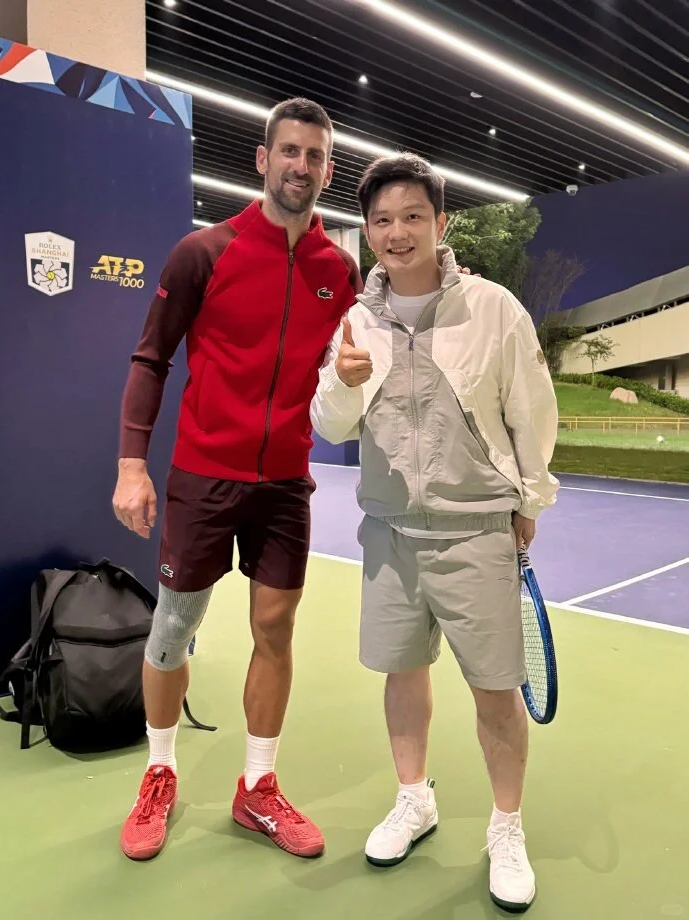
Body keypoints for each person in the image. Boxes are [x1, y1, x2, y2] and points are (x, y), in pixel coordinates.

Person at [113, 97, 362, 862]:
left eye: (315, 155)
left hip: (285, 484)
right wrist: (131, 463)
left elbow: (369, 359)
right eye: (289, 150)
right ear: (262, 159)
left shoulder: (340, 271)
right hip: (202, 476)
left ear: (328, 169)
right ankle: (159, 774)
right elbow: (151, 357)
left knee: (274, 630)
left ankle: (257, 788)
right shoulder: (204, 252)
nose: (301, 166)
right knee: (173, 627)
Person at [310, 153, 558, 911]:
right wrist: (341, 383)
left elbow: (531, 410)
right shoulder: (355, 320)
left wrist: (530, 500)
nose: (398, 232)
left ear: (440, 223)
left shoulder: (493, 309)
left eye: (413, 216)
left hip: (475, 531)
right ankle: (413, 799)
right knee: (402, 674)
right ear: (368, 232)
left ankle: (506, 828)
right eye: (383, 220)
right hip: (389, 533)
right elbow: (329, 425)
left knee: (495, 691)